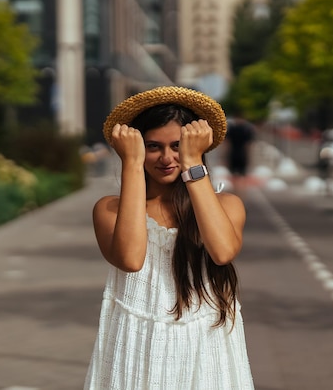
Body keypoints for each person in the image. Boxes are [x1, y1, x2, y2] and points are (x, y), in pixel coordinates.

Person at [84, 86, 254, 390]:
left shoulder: (226, 206)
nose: (166, 158)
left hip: (207, 348)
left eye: (177, 145)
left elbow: (222, 251)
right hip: (135, 350)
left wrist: (193, 164)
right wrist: (132, 165)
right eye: (152, 146)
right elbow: (131, 259)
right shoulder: (109, 209)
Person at [224, 113, 255, 191]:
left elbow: (227, 143)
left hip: (233, 153)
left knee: (234, 175)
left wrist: (225, 156)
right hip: (242, 154)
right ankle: (241, 190)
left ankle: (236, 190)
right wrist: (249, 156)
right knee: (242, 175)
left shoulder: (232, 128)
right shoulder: (247, 129)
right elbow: (248, 145)